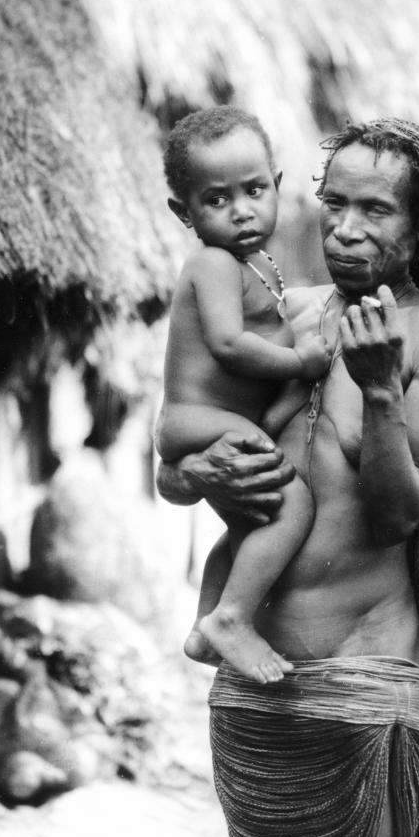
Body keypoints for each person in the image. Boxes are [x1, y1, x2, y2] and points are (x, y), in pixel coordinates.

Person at [156, 118, 419, 837]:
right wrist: (200, 470)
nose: (345, 228)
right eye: (334, 203)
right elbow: (173, 471)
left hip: (366, 674)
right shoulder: (289, 313)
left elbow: (396, 514)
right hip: (253, 679)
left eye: (375, 211)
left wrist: (381, 389)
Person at [158, 107, 330, 684]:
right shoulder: (211, 263)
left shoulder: (258, 266)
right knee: (292, 501)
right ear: (185, 213)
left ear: (277, 186)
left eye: (255, 190)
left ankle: (205, 624)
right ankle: (232, 617)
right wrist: (301, 360)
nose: (242, 211)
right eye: (217, 200)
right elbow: (231, 345)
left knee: (244, 528)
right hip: (197, 420)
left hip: (218, 419)